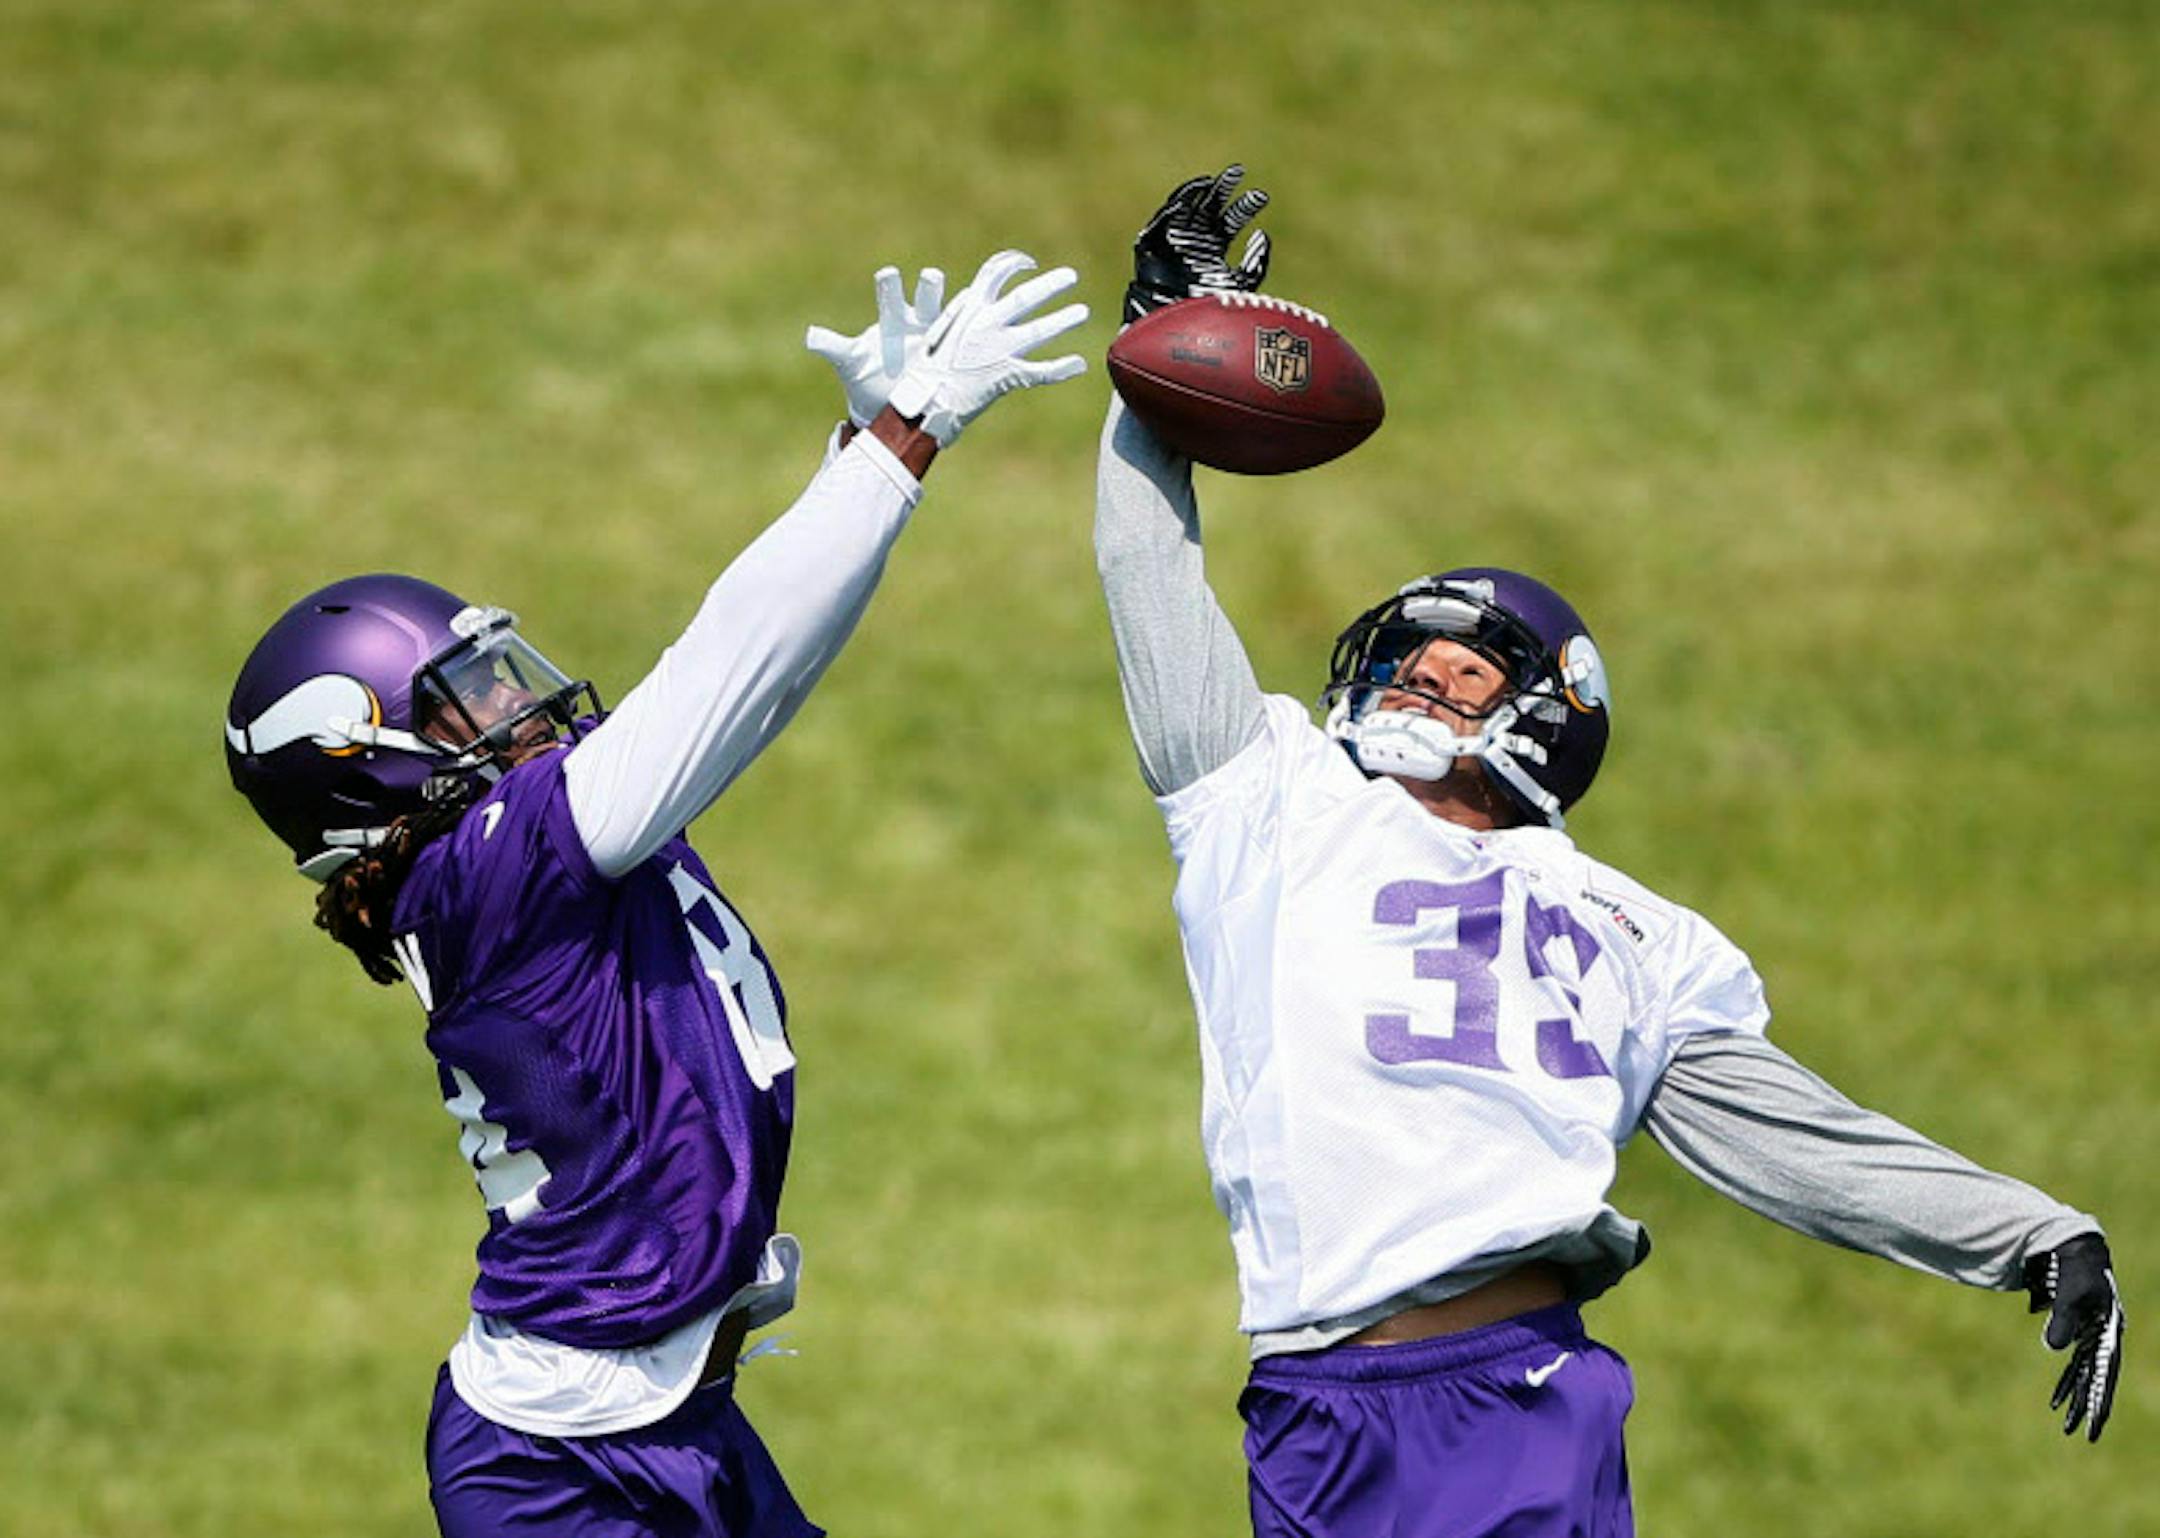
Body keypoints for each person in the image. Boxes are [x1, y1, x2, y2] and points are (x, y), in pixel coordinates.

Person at [1094, 167, 2125, 1538]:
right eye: (1402, 659)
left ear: (1546, 717)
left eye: (1456, 672)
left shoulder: (1640, 932)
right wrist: (1152, 362)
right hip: (1348, 1401)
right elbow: (1149, 579)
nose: (1414, 683)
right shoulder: (1268, 803)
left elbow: (1797, 1139)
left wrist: (2026, 1228)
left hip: (1547, 1390)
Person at [224, 248, 1088, 1538]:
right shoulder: (488, 867)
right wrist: (898, 446)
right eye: (470, 694)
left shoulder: (500, 858)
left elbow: (743, 663)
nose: (520, 703)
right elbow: (740, 664)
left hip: (662, 1415)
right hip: (564, 1466)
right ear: (368, 762)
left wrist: (852, 448)